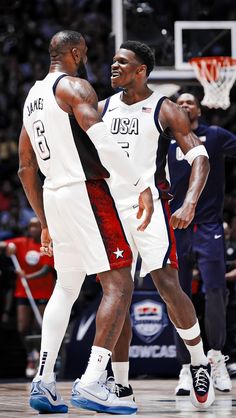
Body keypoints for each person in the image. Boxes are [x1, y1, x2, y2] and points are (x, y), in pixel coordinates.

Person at [18, 30, 153, 415]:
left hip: (53, 196)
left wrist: (43, 220)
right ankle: (93, 382)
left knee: (67, 284)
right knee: (120, 283)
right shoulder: (74, 87)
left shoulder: (32, 98)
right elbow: (103, 138)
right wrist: (140, 183)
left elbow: (25, 168)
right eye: (87, 53)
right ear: (76, 52)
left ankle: (43, 380)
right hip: (85, 192)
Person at [99, 41, 214, 410]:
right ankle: (120, 384)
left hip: (150, 208)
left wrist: (190, 202)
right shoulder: (101, 108)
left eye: (122, 62)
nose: (113, 66)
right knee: (118, 294)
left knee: (168, 286)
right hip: (111, 210)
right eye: (113, 61)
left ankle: (199, 363)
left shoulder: (165, 109)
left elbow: (200, 158)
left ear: (141, 71)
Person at [167, 93, 236, 395]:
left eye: (189, 102)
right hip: (175, 228)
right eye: (179, 103)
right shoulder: (164, 141)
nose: (184, 106)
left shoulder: (216, 136)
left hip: (209, 226)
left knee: (216, 291)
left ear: (199, 108)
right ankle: (186, 367)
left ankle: (216, 358)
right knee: (176, 297)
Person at [1, 217, 56, 378]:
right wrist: (8, 246)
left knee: (41, 327)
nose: (33, 229)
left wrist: (27, 277)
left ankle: (42, 357)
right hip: (23, 292)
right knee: (22, 327)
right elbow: (2, 245)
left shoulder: (45, 245)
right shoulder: (20, 242)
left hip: (43, 292)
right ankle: (31, 355)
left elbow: (46, 269)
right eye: (30, 226)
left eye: (36, 226)